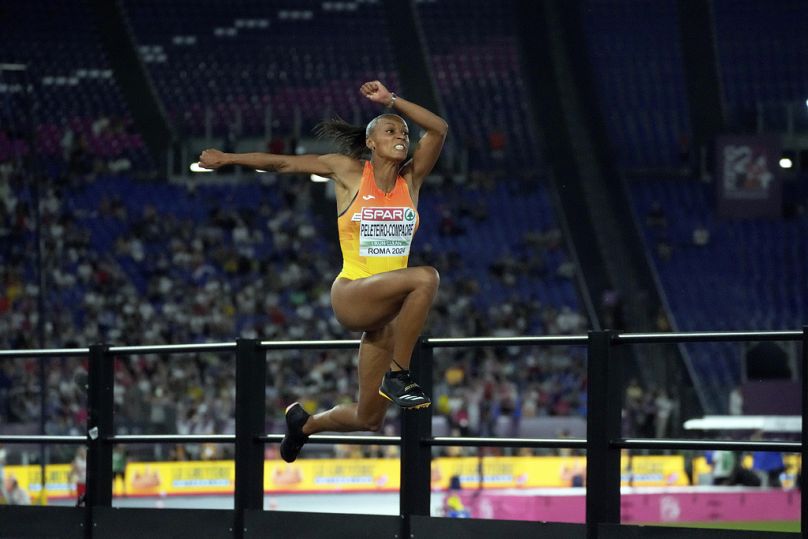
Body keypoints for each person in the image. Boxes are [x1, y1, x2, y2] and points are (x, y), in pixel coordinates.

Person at [199, 80, 448, 463]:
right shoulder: (348, 172)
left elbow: (439, 129)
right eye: (390, 129)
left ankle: (304, 424)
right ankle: (399, 375)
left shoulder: (411, 181)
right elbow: (283, 164)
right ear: (370, 142)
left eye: (402, 131)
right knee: (425, 277)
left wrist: (393, 101)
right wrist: (229, 158)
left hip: (387, 315)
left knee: (370, 418)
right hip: (352, 294)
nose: (400, 135)